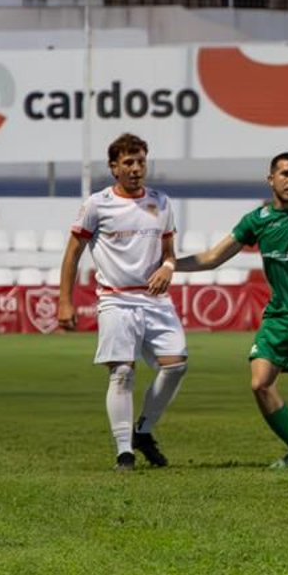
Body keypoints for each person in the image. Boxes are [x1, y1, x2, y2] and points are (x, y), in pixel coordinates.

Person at [174, 152, 288, 469]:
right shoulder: (257, 221)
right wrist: (169, 265)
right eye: (285, 173)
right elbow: (212, 258)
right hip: (278, 317)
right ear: (270, 178)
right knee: (260, 384)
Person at [55, 133, 187, 471]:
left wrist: (169, 268)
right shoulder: (97, 204)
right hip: (116, 301)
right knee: (123, 374)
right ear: (114, 168)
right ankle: (124, 452)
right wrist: (65, 302)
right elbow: (73, 254)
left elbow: (171, 254)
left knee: (176, 365)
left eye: (141, 161)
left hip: (155, 299)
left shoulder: (162, 202)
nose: (136, 168)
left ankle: (143, 431)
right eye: (128, 162)